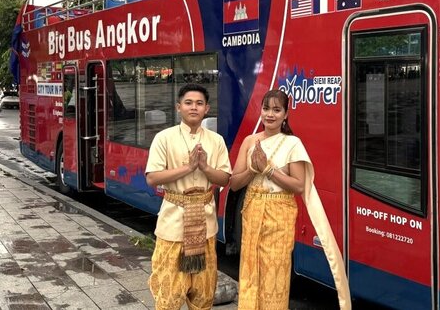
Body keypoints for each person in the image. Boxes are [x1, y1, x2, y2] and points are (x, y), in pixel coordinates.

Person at [231, 89, 351, 310]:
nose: (270, 114)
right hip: (252, 209)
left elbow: (298, 185)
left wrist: (268, 170)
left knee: (275, 271)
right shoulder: (250, 141)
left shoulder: (292, 143)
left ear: (286, 114)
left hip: (280, 213)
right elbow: (235, 183)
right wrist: (252, 170)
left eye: (277, 110)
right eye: (266, 108)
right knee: (250, 269)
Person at [145, 84, 232, 310]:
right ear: (178, 107)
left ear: (207, 109)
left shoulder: (216, 140)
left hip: (206, 226)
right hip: (173, 224)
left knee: (204, 292)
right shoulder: (164, 138)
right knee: (169, 292)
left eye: (199, 103)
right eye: (189, 103)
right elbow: (152, 178)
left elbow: (224, 179)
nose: (194, 107)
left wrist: (204, 167)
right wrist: (188, 167)